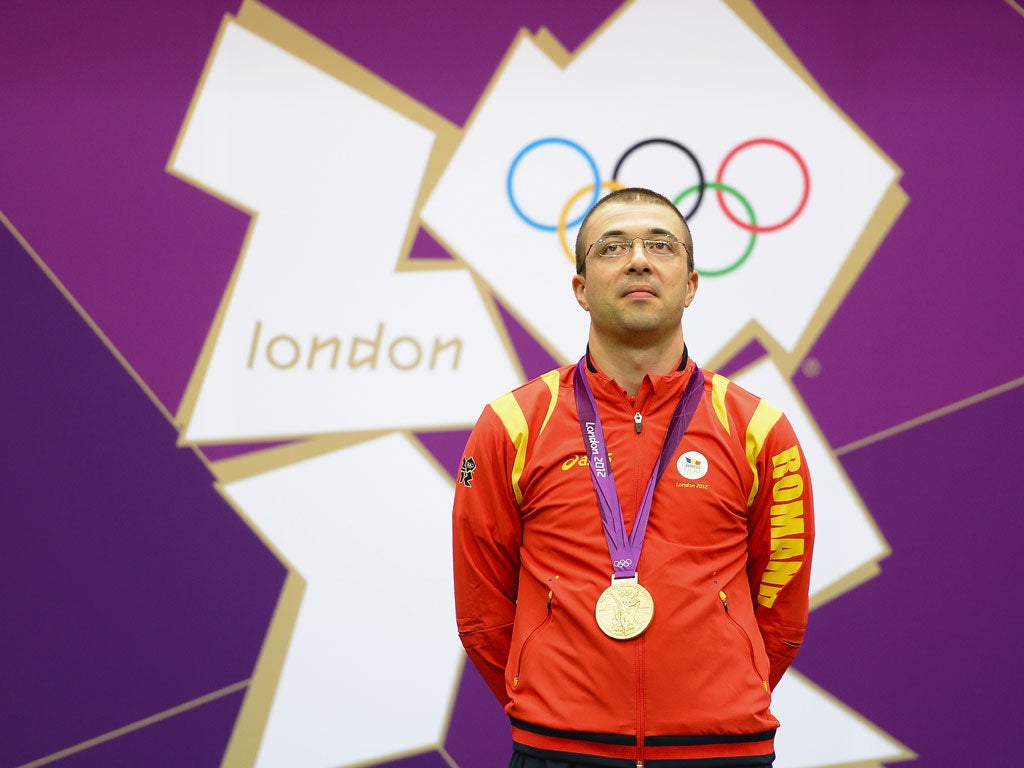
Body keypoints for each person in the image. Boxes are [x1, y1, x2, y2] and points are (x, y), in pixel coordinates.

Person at [452, 187, 814, 768]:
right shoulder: (513, 424)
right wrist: (552, 703)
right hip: (558, 750)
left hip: (721, 751)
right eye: (612, 246)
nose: (639, 259)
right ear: (581, 289)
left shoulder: (758, 429)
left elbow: (782, 605)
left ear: (691, 285)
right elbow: (482, 610)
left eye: (661, 245)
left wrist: (715, 694)